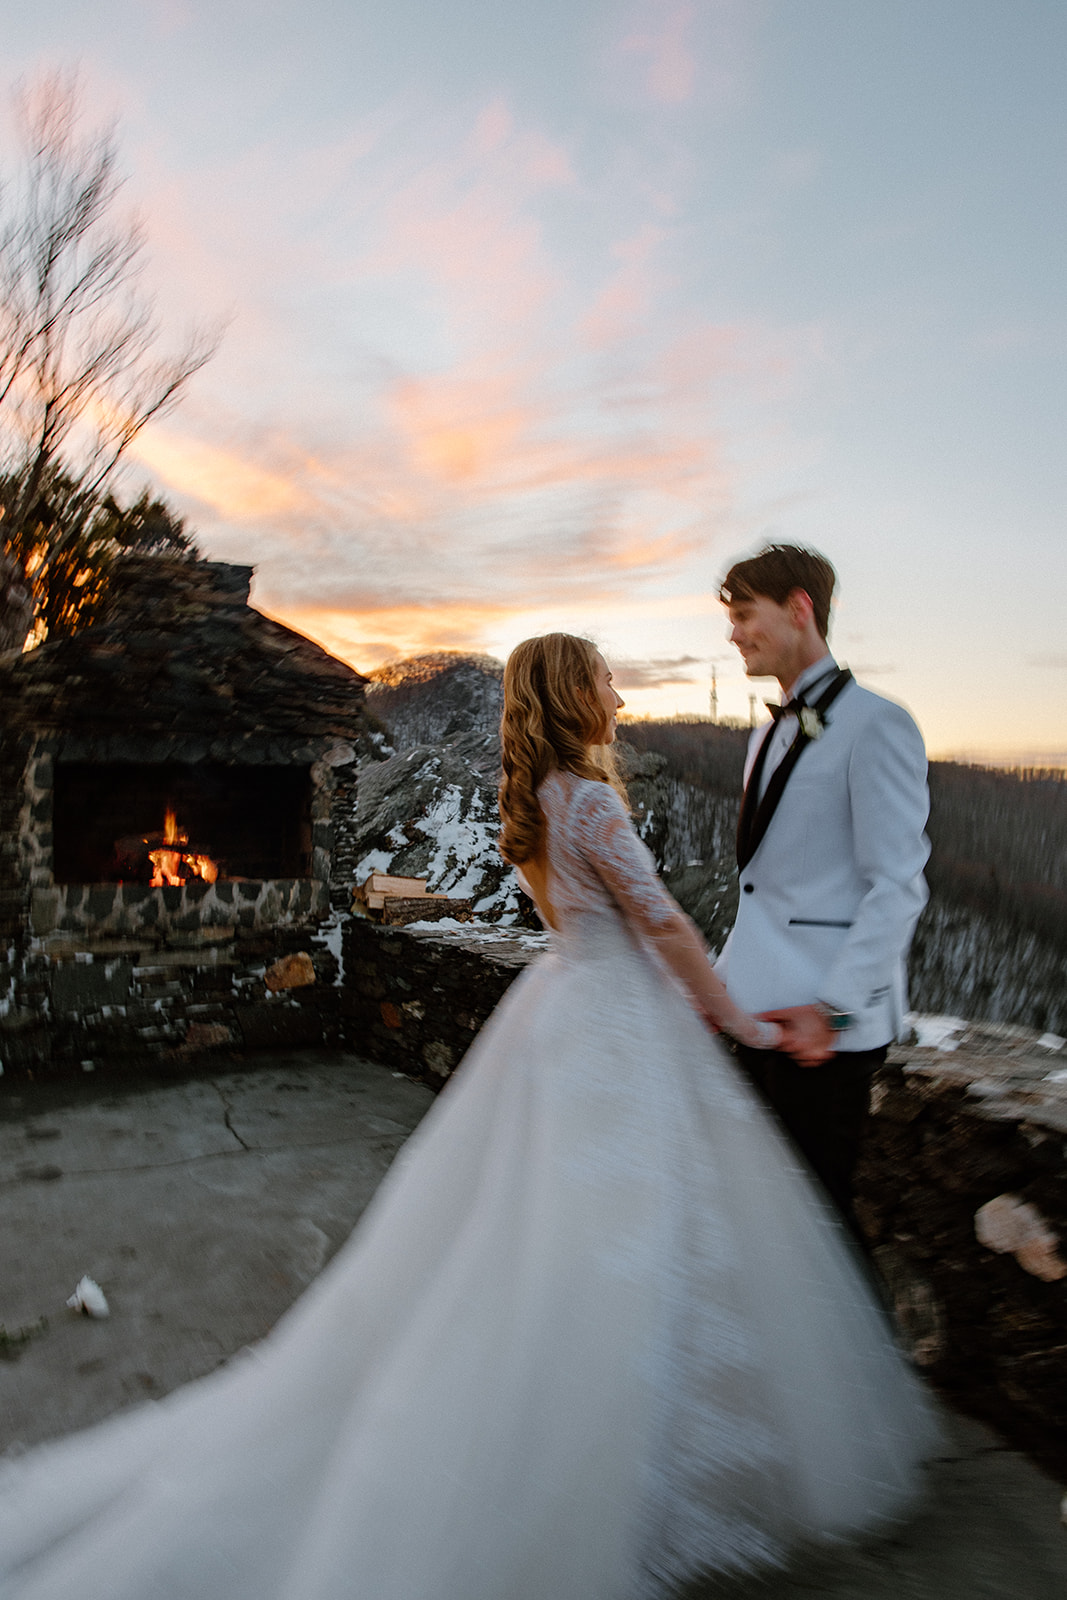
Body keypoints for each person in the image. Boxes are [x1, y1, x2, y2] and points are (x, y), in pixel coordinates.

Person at [0, 633, 937, 1600]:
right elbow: (660, 919)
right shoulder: (591, 799)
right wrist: (737, 1014)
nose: (620, 691)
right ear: (577, 695)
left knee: (542, 1239)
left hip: (569, 1012)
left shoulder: (538, 800)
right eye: (607, 677)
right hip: (616, 1026)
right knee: (616, 1246)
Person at [715, 545, 930, 1230]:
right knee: (755, 1218)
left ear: (799, 608)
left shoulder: (878, 723)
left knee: (813, 1228)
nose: (732, 633)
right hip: (755, 1013)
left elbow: (896, 885)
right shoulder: (762, 738)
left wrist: (832, 1009)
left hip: (821, 1028)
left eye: (745, 614)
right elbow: (762, 888)